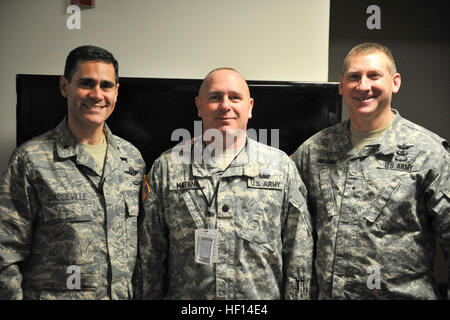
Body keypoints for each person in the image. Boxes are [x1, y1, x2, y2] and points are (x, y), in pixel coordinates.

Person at [137, 67, 313, 299]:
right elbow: (150, 256)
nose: (225, 105)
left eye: (234, 97)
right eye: (215, 97)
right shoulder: (168, 167)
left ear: (249, 107)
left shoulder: (280, 167)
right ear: (199, 106)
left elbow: (299, 252)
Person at [292, 42, 449, 299]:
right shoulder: (314, 151)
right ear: (341, 86)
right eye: (354, 77)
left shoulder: (428, 153)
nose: (363, 86)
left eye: (374, 75)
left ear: (395, 82)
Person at [0, 45, 145, 299]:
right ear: (64, 86)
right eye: (86, 83)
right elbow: (5, 251)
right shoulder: (31, 160)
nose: (97, 95)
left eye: (106, 86)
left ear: (116, 92)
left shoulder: (131, 159)